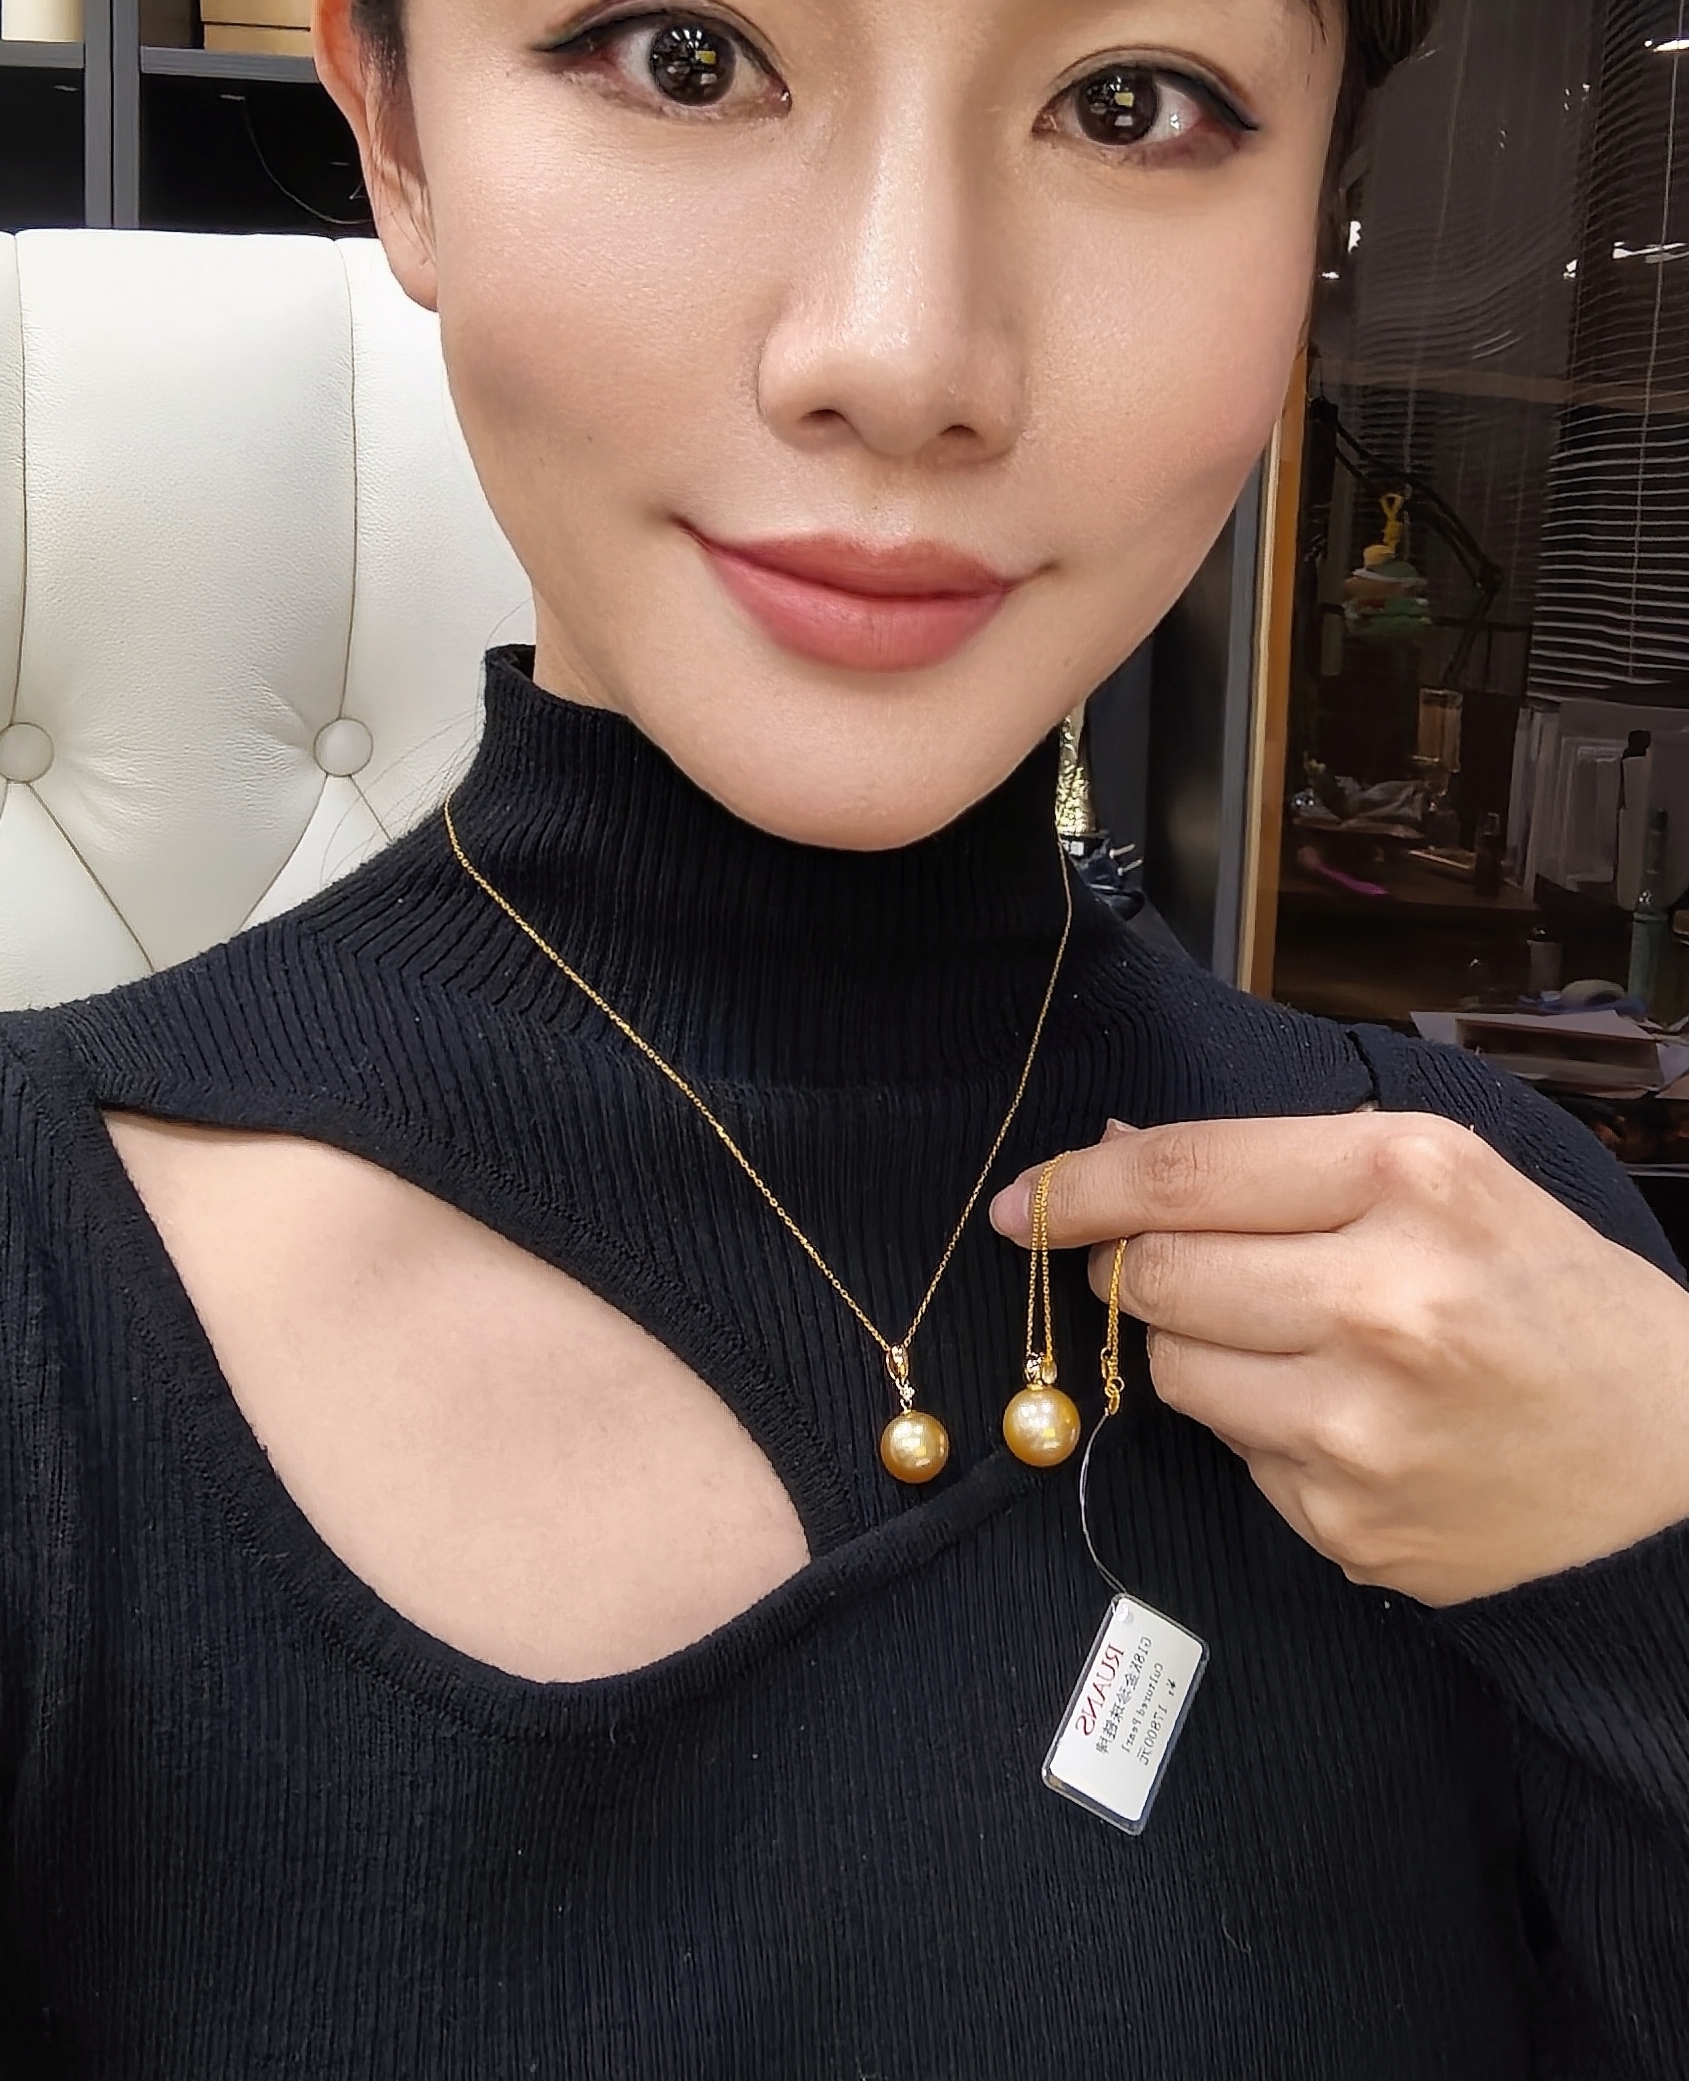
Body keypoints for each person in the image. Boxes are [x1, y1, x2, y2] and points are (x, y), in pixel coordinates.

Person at [2, 0, 1686, 2071]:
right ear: (400, 136)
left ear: (1316, 213)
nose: (901, 361)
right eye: (686, 58)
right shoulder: (38, 1304)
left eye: (1130, 105)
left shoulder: (1525, 1284)